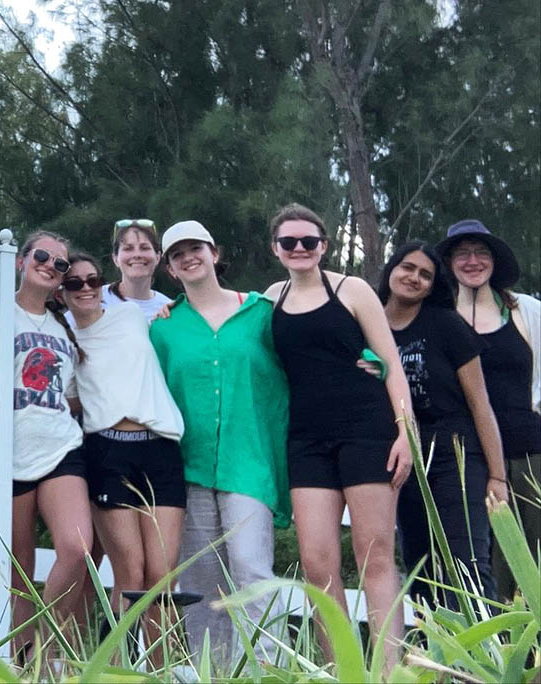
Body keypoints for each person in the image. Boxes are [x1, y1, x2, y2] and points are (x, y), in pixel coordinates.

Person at [264, 203, 412, 666]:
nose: (300, 248)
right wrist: (167, 309)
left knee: (375, 556)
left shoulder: (353, 289)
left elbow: (391, 363)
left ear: (324, 245)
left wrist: (405, 433)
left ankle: (389, 674)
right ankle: (342, 670)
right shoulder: (270, 298)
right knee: (317, 563)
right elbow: (223, 320)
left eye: (309, 241)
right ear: (276, 249)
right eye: (289, 242)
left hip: (366, 432)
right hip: (306, 440)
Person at [148, 220, 289, 665]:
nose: (189, 257)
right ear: (170, 269)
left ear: (214, 252)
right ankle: (215, 673)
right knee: (203, 580)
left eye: (196, 248)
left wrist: (366, 363)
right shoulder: (164, 329)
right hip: (187, 467)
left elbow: (313, 348)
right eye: (177, 254)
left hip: (249, 462)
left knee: (251, 569)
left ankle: (268, 671)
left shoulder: (261, 313)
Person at [62, 251, 184, 663]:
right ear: (61, 292)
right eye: (74, 283)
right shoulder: (63, 339)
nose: (84, 289)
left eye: (92, 280)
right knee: (129, 572)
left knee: (162, 576)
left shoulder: (133, 315)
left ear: (103, 283)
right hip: (107, 451)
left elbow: (165, 301)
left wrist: (170, 310)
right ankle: (115, 668)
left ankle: (158, 669)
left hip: (161, 446)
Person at [378, 240, 507, 607]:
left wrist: (496, 476)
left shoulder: (446, 326)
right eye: (407, 267)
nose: (414, 278)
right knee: (419, 565)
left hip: (456, 454)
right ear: (391, 270)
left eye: (425, 275)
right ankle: (431, 659)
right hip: (403, 460)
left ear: (433, 286)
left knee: (467, 564)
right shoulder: (367, 324)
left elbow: (481, 404)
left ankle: (487, 657)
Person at [435, 219, 540, 600]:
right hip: (465, 460)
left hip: (529, 455)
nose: (473, 261)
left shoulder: (525, 311)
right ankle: (490, 653)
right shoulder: (439, 319)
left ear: (494, 260)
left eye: (481, 252)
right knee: (480, 563)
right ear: (448, 263)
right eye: (462, 253)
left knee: (533, 560)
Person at [10, 231, 92, 660]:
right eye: (42, 256)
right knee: (17, 569)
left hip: (62, 447)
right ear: (22, 260)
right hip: (8, 451)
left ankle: (44, 650)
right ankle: (21, 665)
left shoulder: (65, 326)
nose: (50, 265)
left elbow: (75, 396)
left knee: (76, 550)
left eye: (60, 264)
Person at [104, 220, 171, 320]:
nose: (137, 255)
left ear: (158, 257)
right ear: (115, 259)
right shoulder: (96, 300)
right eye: (128, 248)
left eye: (144, 248)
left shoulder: (169, 310)